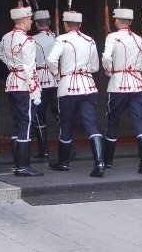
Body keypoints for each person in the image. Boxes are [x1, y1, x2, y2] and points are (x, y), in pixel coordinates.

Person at [46, 10, 105, 177]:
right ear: (80, 25)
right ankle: (99, 162)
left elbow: (51, 60)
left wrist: (58, 74)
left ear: (65, 24)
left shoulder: (61, 39)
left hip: (68, 86)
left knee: (65, 125)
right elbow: (94, 67)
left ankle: (63, 162)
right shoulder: (90, 40)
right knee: (92, 125)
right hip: (88, 85)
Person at [102, 7, 142, 174]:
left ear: (116, 21)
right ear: (130, 22)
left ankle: (108, 161)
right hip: (136, 84)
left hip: (118, 85)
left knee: (112, 122)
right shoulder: (139, 39)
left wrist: (110, 71)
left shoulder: (112, 37)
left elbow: (106, 57)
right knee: (139, 123)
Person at [0, 5, 44, 177]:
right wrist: (35, 92)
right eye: (30, 18)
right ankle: (23, 166)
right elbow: (30, 69)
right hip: (24, 85)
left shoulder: (7, 37)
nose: (31, 21)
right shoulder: (28, 41)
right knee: (26, 123)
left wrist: (11, 65)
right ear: (24, 20)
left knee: (17, 122)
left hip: (12, 83)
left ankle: (18, 164)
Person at [31, 9, 59, 159]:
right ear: (49, 22)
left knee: (39, 116)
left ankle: (44, 150)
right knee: (59, 114)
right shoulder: (57, 37)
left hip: (40, 80)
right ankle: (67, 146)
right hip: (55, 80)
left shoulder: (32, 40)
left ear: (36, 24)